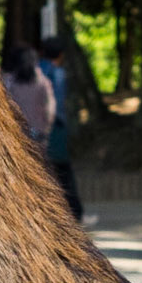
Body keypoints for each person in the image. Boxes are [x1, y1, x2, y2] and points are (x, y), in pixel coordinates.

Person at [38, 34, 85, 220]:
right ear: (61, 54)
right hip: (54, 129)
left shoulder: (34, 70)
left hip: (32, 130)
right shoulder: (57, 74)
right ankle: (74, 212)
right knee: (63, 171)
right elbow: (57, 104)